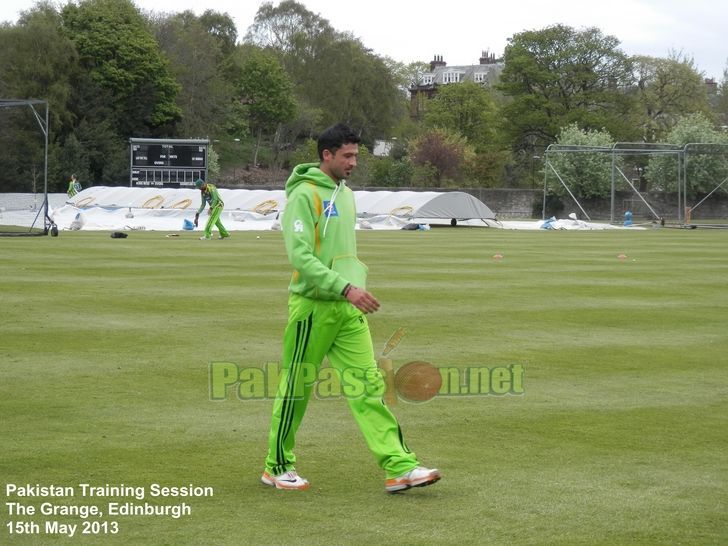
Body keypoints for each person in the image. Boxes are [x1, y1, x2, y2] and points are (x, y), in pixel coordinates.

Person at [261, 123, 440, 493]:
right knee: (296, 388)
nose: (354, 162)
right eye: (347, 155)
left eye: (356, 155)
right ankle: (277, 466)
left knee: (368, 387)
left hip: (347, 309)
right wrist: (344, 287)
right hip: (313, 308)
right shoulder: (304, 196)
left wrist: (351, 289)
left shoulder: (346, 195)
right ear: (326, 155)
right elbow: (300, 256)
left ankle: (400, 467)